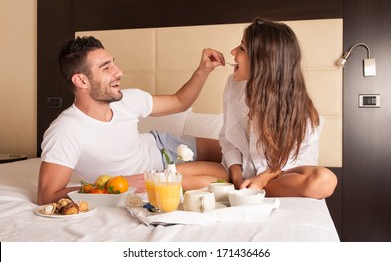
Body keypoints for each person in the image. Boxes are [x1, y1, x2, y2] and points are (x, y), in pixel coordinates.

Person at [37, 36, 228, 205]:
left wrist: (203, 70)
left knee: (235, 154)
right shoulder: (66, 130)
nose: (118, 72)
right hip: (154, 178)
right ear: (81, 81)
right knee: (227, 177)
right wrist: (120, 184)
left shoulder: (128, 99)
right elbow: (47, 196)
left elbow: (180, 101)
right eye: (106, 68)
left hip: (163, 145)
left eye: (113, 63)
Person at [178, 18, 337, 199]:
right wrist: (237, 177)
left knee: (324, 181)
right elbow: (229, 141)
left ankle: (249, 193)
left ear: (263, 61)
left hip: (278, 176)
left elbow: (292, 159)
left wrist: (261, 180)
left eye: (242, 49)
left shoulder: (300, 108)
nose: (233, 52)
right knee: (171, 176)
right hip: (239, 172)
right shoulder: (233, 85)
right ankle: (240, 191)